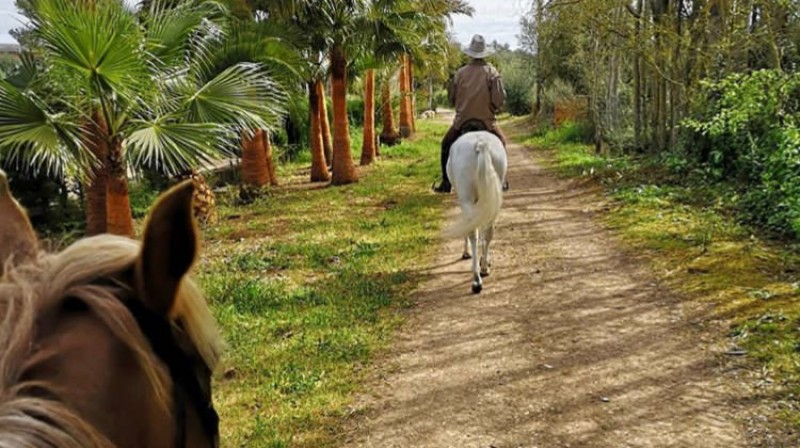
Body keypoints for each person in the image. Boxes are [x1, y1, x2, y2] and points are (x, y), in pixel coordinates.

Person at [434, 34, 507, 194]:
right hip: (487, 122)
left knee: (446, 145)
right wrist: (493, 107)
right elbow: (498, 100)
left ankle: (446, 183)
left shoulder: (459, 74)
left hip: (462, 122)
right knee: (502, 142)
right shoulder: (492, 73)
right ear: (484, 53)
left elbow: (451, 100)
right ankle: (502, 181)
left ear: (470, 53)